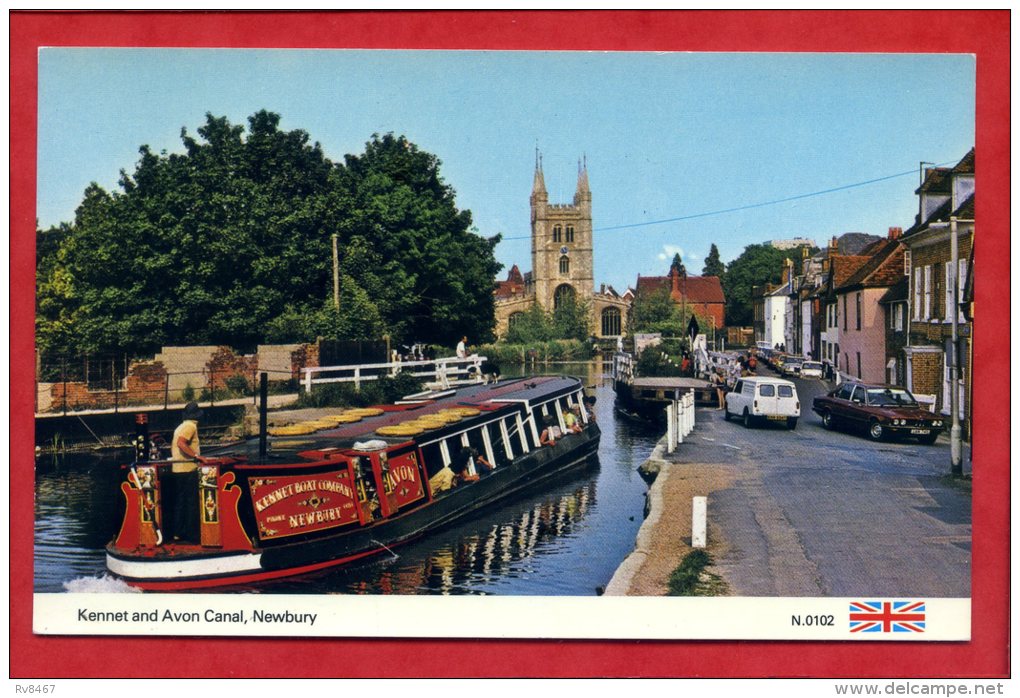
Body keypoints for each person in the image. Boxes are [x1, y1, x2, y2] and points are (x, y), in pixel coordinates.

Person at [170, 401, 205, 543]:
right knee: (191, 503)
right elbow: (181, 443)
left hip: (178, 468)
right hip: (188, 468)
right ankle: (193, 535)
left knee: (181, 502)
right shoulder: (190, 426)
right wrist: (197, 456)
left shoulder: (180, 426)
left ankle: (178, 533)